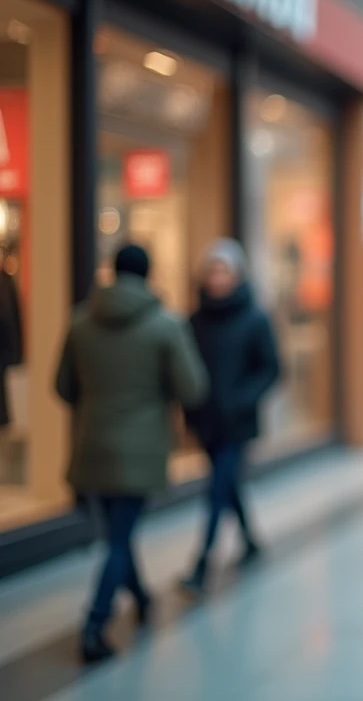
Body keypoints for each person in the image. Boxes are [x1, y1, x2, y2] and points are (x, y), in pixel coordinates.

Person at [55, 244, 208, 662]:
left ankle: (140, 597)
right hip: (140, 450)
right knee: (120, 537)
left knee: (119, 532)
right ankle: (94, 624)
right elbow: (192, 387)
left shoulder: (80, 322)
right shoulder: (165, 324)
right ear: (148, 273)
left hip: (91, 445)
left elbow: (63, 387)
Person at [181, 239, 280, 593]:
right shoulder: (194, 320)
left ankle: (202, 563)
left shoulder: (255, 318)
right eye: (212, 270)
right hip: (206, 420)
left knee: (216, 489)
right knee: (227, 485)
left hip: (237, 422)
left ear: (237, 276)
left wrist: (242, 399)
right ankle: (250, 541)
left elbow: (271, 368)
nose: (217, 277)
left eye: (224, 270)